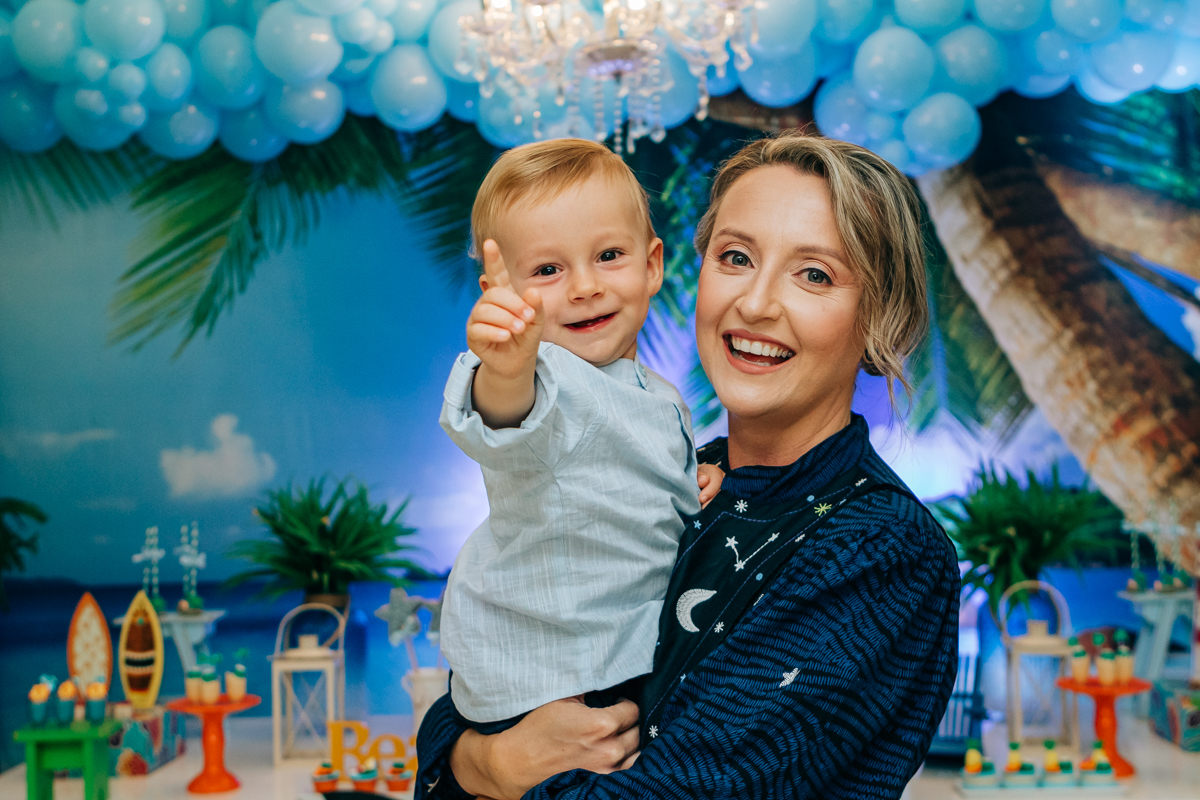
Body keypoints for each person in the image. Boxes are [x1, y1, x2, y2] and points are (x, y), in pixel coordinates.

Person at [416, 131, 961, 800]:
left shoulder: (882, 549)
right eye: (736, 257)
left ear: (879, 316)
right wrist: (487, 760)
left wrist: (478, 767)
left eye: (814, 274)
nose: (755, 303)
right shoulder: (672, 477)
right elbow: (466, 702)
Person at [436, 138, 726, 737]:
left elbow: (635, 478)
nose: (585, 286)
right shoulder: (545, 375)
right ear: (502, 292)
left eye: (609, 255)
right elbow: (504, 422)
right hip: (552, 670)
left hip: (619, 652)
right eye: (548, 270)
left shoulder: (658, 393)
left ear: (652, 265)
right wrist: (505, 368)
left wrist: (689, 481)